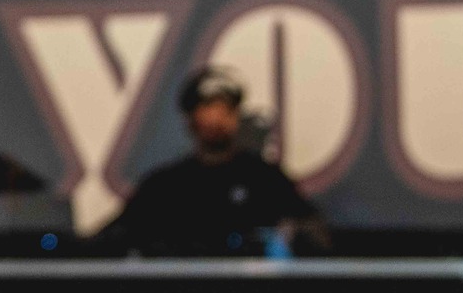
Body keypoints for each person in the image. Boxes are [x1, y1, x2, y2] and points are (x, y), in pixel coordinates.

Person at [96, 69, 327, 256]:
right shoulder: (165, 186)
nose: (216, 119)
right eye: (207, 109)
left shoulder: (265, 179)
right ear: (190, 120)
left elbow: (315, 234)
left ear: (236, 117)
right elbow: (114, 237)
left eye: (225, 110)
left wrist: (288, 237)